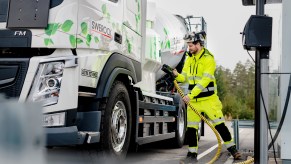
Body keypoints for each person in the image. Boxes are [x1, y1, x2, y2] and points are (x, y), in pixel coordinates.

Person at [173, 31, 241, 163]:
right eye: (188, 45)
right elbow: (185, 77)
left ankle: (233, 150)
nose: (189, 48)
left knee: (220, 126)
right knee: (192, 128)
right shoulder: (189, 58)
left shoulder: (209, 59)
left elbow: (204, 81)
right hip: (194, 101)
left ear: (199, 44)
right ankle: (192, 156)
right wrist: (176, 75)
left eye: (191, 45)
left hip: (209, 100)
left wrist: (190, 95)